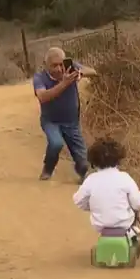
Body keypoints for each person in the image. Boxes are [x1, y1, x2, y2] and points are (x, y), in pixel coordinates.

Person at [32, 47, 98, 182]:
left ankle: (82, 174)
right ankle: (48, 168)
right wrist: (65, 83)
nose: (59, 69)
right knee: (56, 143)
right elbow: (43, 97)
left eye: (61, 64)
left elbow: (93, 71)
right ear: (46, 65)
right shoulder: (39, 78)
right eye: (54, 65)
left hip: (71, 122)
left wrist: (80, 73)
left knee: (83, 161)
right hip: (51, 121)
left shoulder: (71, 69)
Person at [73, 137, 140, 244]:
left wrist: (92, 206)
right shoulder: (124, 178)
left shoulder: (91, 179)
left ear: (93, 161)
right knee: (135, 207)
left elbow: (78, 201)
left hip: (100, 224)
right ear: (119, 160)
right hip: (124, 222)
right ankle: (133, 235)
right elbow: (139, 203)